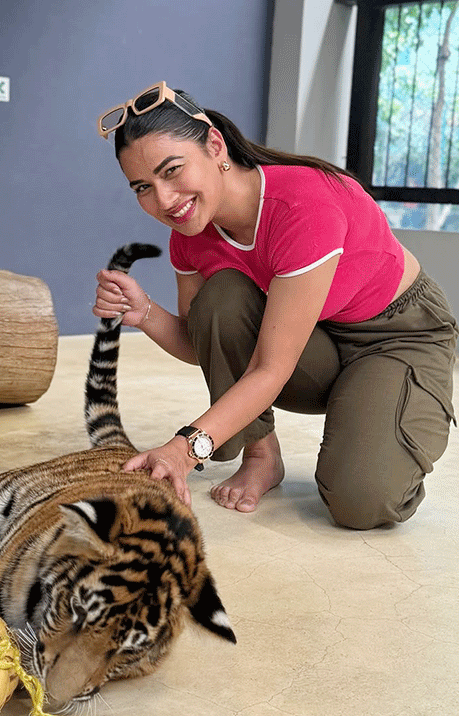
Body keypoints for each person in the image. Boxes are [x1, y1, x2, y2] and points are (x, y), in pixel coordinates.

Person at [93, 81, 457, 530]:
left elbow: (270, 368)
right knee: (220, 298)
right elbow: (200, 341)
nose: (164, 200)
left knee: (362, 502)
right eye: (142, 187)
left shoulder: (302, 204)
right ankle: (262, 456)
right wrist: (145, 313)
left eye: (172, 171)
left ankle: (385, 412)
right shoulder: (191, 235)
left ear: (214, 144)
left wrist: (185, 450)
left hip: (399, 335)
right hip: (321, 338)